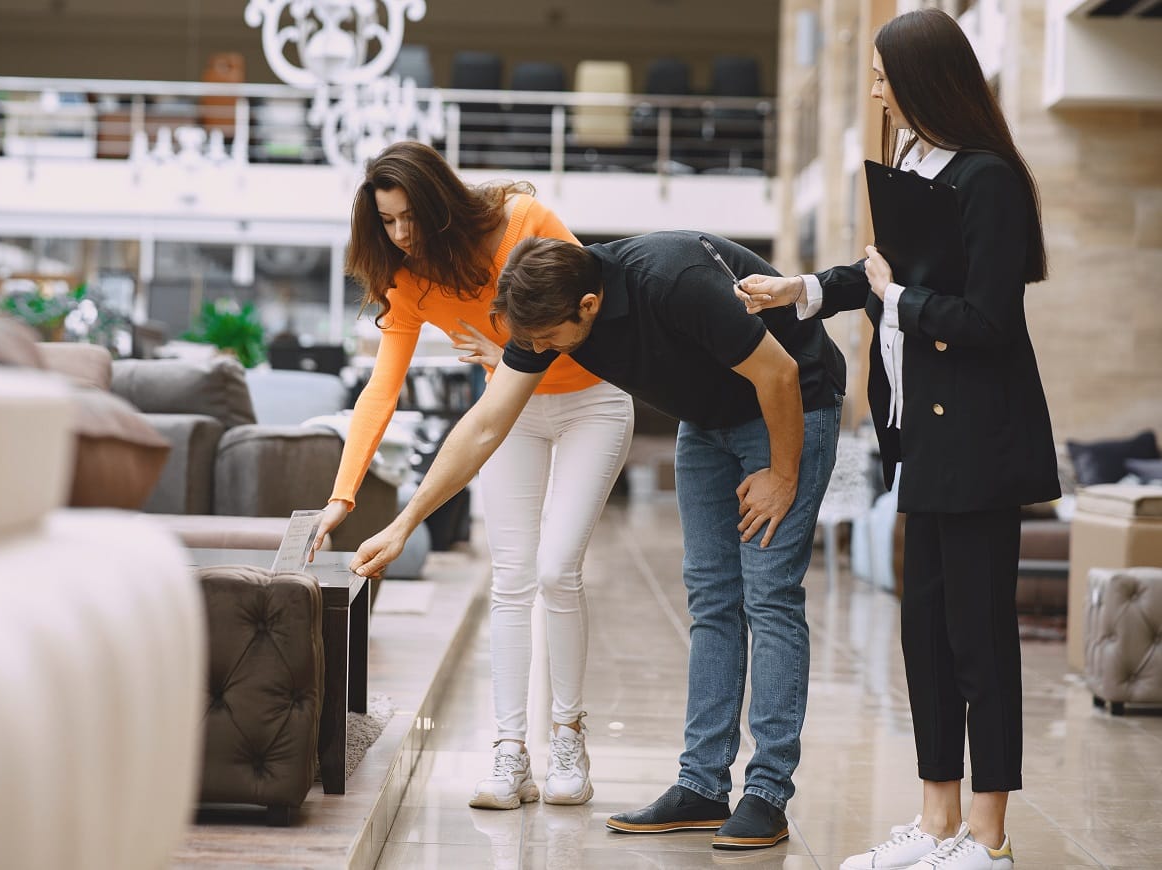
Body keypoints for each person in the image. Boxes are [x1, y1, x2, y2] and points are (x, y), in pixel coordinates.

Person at [350, 230, 847, 850]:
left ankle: (767, 794)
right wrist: (403, 524)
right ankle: (701, 786)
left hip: (791, 407)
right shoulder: (547, 309)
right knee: (713, 599)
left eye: (548, 340)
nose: (540, 352)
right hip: (710, 420)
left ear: (587, 307)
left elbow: (780, 371)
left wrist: (782, 474)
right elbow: (483, 427)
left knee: (769, 596)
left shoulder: (674, 281)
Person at [738, 9, 1058, 869]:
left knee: (979, 641)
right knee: (926, 636)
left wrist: (900, 298)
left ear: (924, 80)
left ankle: (988, 839)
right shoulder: (918, 167)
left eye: (884, 76)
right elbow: (878, 277)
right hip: (920, 438)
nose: (876, 89)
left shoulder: (987, 179)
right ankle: (938, 824)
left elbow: (987, 318)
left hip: (982, 442)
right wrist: (801, 287)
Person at [313, 142, 635, 810]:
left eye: (408, 218)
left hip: (593, 402)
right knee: (511, 578)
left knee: (556, 571)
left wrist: (514, 351)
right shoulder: (408, 283)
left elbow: (595, 308)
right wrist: (344, 493)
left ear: (436, 202)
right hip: (508, 412)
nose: (400, 236)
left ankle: (568, 737)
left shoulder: (521, 221)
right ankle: (510, 752)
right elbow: (382, 388)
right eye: (387, 223)